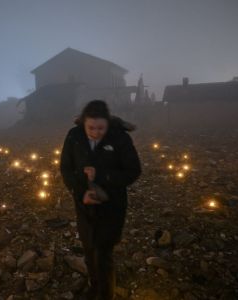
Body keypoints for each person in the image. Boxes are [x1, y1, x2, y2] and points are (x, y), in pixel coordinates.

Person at [60, 100, 141, 300]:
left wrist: (102, 175)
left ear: (108, 123)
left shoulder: (119, 138)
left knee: (104, 254)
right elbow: (66, 169)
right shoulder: (74, 136)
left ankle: (106, 294)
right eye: (91, 127)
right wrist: (81, 194)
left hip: (112, 205)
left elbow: (133, 171)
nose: (96, 132)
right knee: (88, 250)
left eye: (101, 128)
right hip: (84, 205)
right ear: (83, 123)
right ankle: (94, 287)